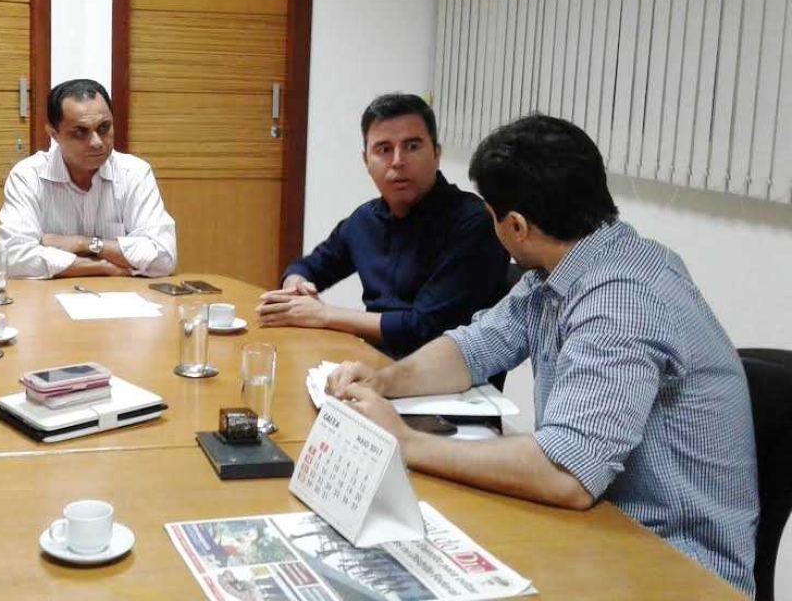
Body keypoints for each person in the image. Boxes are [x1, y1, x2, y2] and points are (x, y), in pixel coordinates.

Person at [327, 115, 758, 595]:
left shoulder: (621, 300)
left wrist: (407, 442)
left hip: (673, 567)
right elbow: (472, 348)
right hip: (597, 530)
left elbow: (567, 474)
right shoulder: (559, 269)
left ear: (516, 226)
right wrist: (384, 381)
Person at [258, 93, 507, 358]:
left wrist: (323, 315)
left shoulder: (474, 222)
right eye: (384, 149)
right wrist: (296, 286)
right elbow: (309, 266)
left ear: (436, 153)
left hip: (445, 374)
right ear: (366, 160)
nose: (398, 161)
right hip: (374, 362)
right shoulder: (364, 220)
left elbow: (425, 328)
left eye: (412, 146)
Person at [0, 78, 177, 278]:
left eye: (104, 127)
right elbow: (12, 259)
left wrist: (84, 243)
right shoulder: (28, 176)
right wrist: (101, 267)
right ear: (53, 134)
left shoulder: (134, 173)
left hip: (120, 293)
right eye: (80, 132)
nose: (97, 142)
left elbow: (163, 258)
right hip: (51, 295)